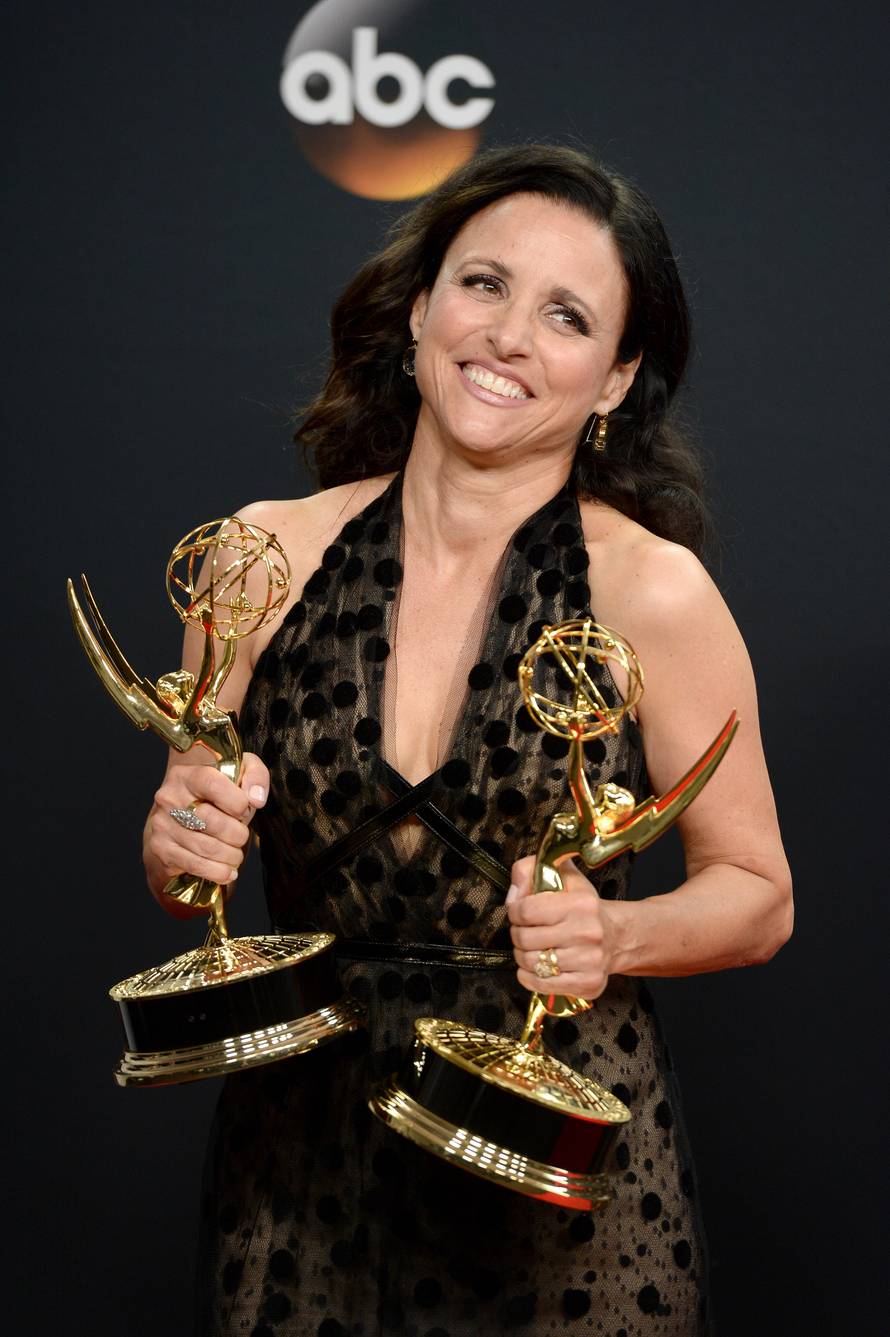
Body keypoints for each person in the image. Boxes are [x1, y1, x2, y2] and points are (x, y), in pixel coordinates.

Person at [143, 145, 792, 1335]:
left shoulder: (653, 591)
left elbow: (756, 894)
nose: (506, 336)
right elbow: (189, 868)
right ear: (420, 307)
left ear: (613, 377)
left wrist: (613, 933)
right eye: (482, 284)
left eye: (565, 314)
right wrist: (181, 836)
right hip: (297, 1173)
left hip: (549, 1184)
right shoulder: (259, 555)